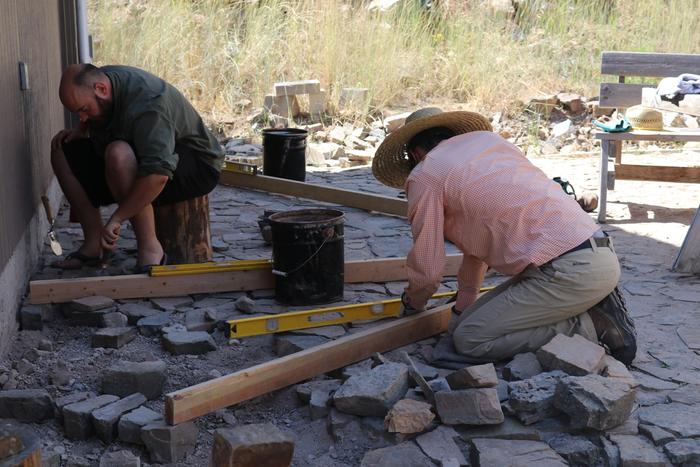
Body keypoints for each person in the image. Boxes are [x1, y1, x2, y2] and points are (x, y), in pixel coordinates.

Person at [372, 107, 637, 365]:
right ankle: (586, 302)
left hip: (567, 272)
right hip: (595, 255)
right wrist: (462, 307)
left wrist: (413, 303)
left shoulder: (426, 174)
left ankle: (592, 326)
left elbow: (428, 267)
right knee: (463, 324)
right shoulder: (490, 145)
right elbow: (476, 253)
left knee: (469, 339)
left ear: (416, 154)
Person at [50, 64, 224, 272]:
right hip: (144, 155)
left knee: (118, 154)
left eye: (84, 110)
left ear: (102, 89)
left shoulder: (149, 104)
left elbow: (158, 173)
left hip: (194, 166)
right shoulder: (100, 81)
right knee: (62, 149)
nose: (83, 118)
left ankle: (151, 249)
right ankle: (93, 244)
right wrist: (80, 129)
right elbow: (92, 113)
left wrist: (117, 218)